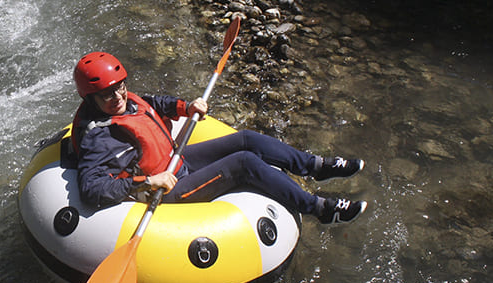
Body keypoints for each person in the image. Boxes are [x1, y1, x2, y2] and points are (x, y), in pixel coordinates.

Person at [71, 52, 368, 224]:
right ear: (91, 97)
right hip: (163, 192)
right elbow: (92, 189)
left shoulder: (127, 100)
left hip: (176, 162)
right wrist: (149, 182)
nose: (117, 97)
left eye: (120, 87)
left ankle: (316, 166)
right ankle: (320, 209)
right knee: (243, 163)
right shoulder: (98, 138)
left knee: (247, 139)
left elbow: (153, 102)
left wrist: (186, 107)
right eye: (107, 94)